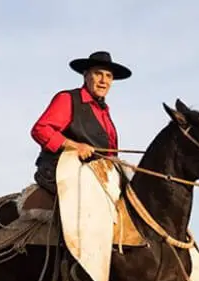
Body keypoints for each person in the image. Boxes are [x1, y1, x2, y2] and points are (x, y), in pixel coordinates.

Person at [30, 50, 132, 195]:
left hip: (98, 179)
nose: (103, 81)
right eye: (98, 74)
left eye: (108, 76)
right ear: (86, 76)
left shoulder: (104, 112)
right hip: (63, 173)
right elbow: (40, 129)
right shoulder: (68, 99)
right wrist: (74, 146)